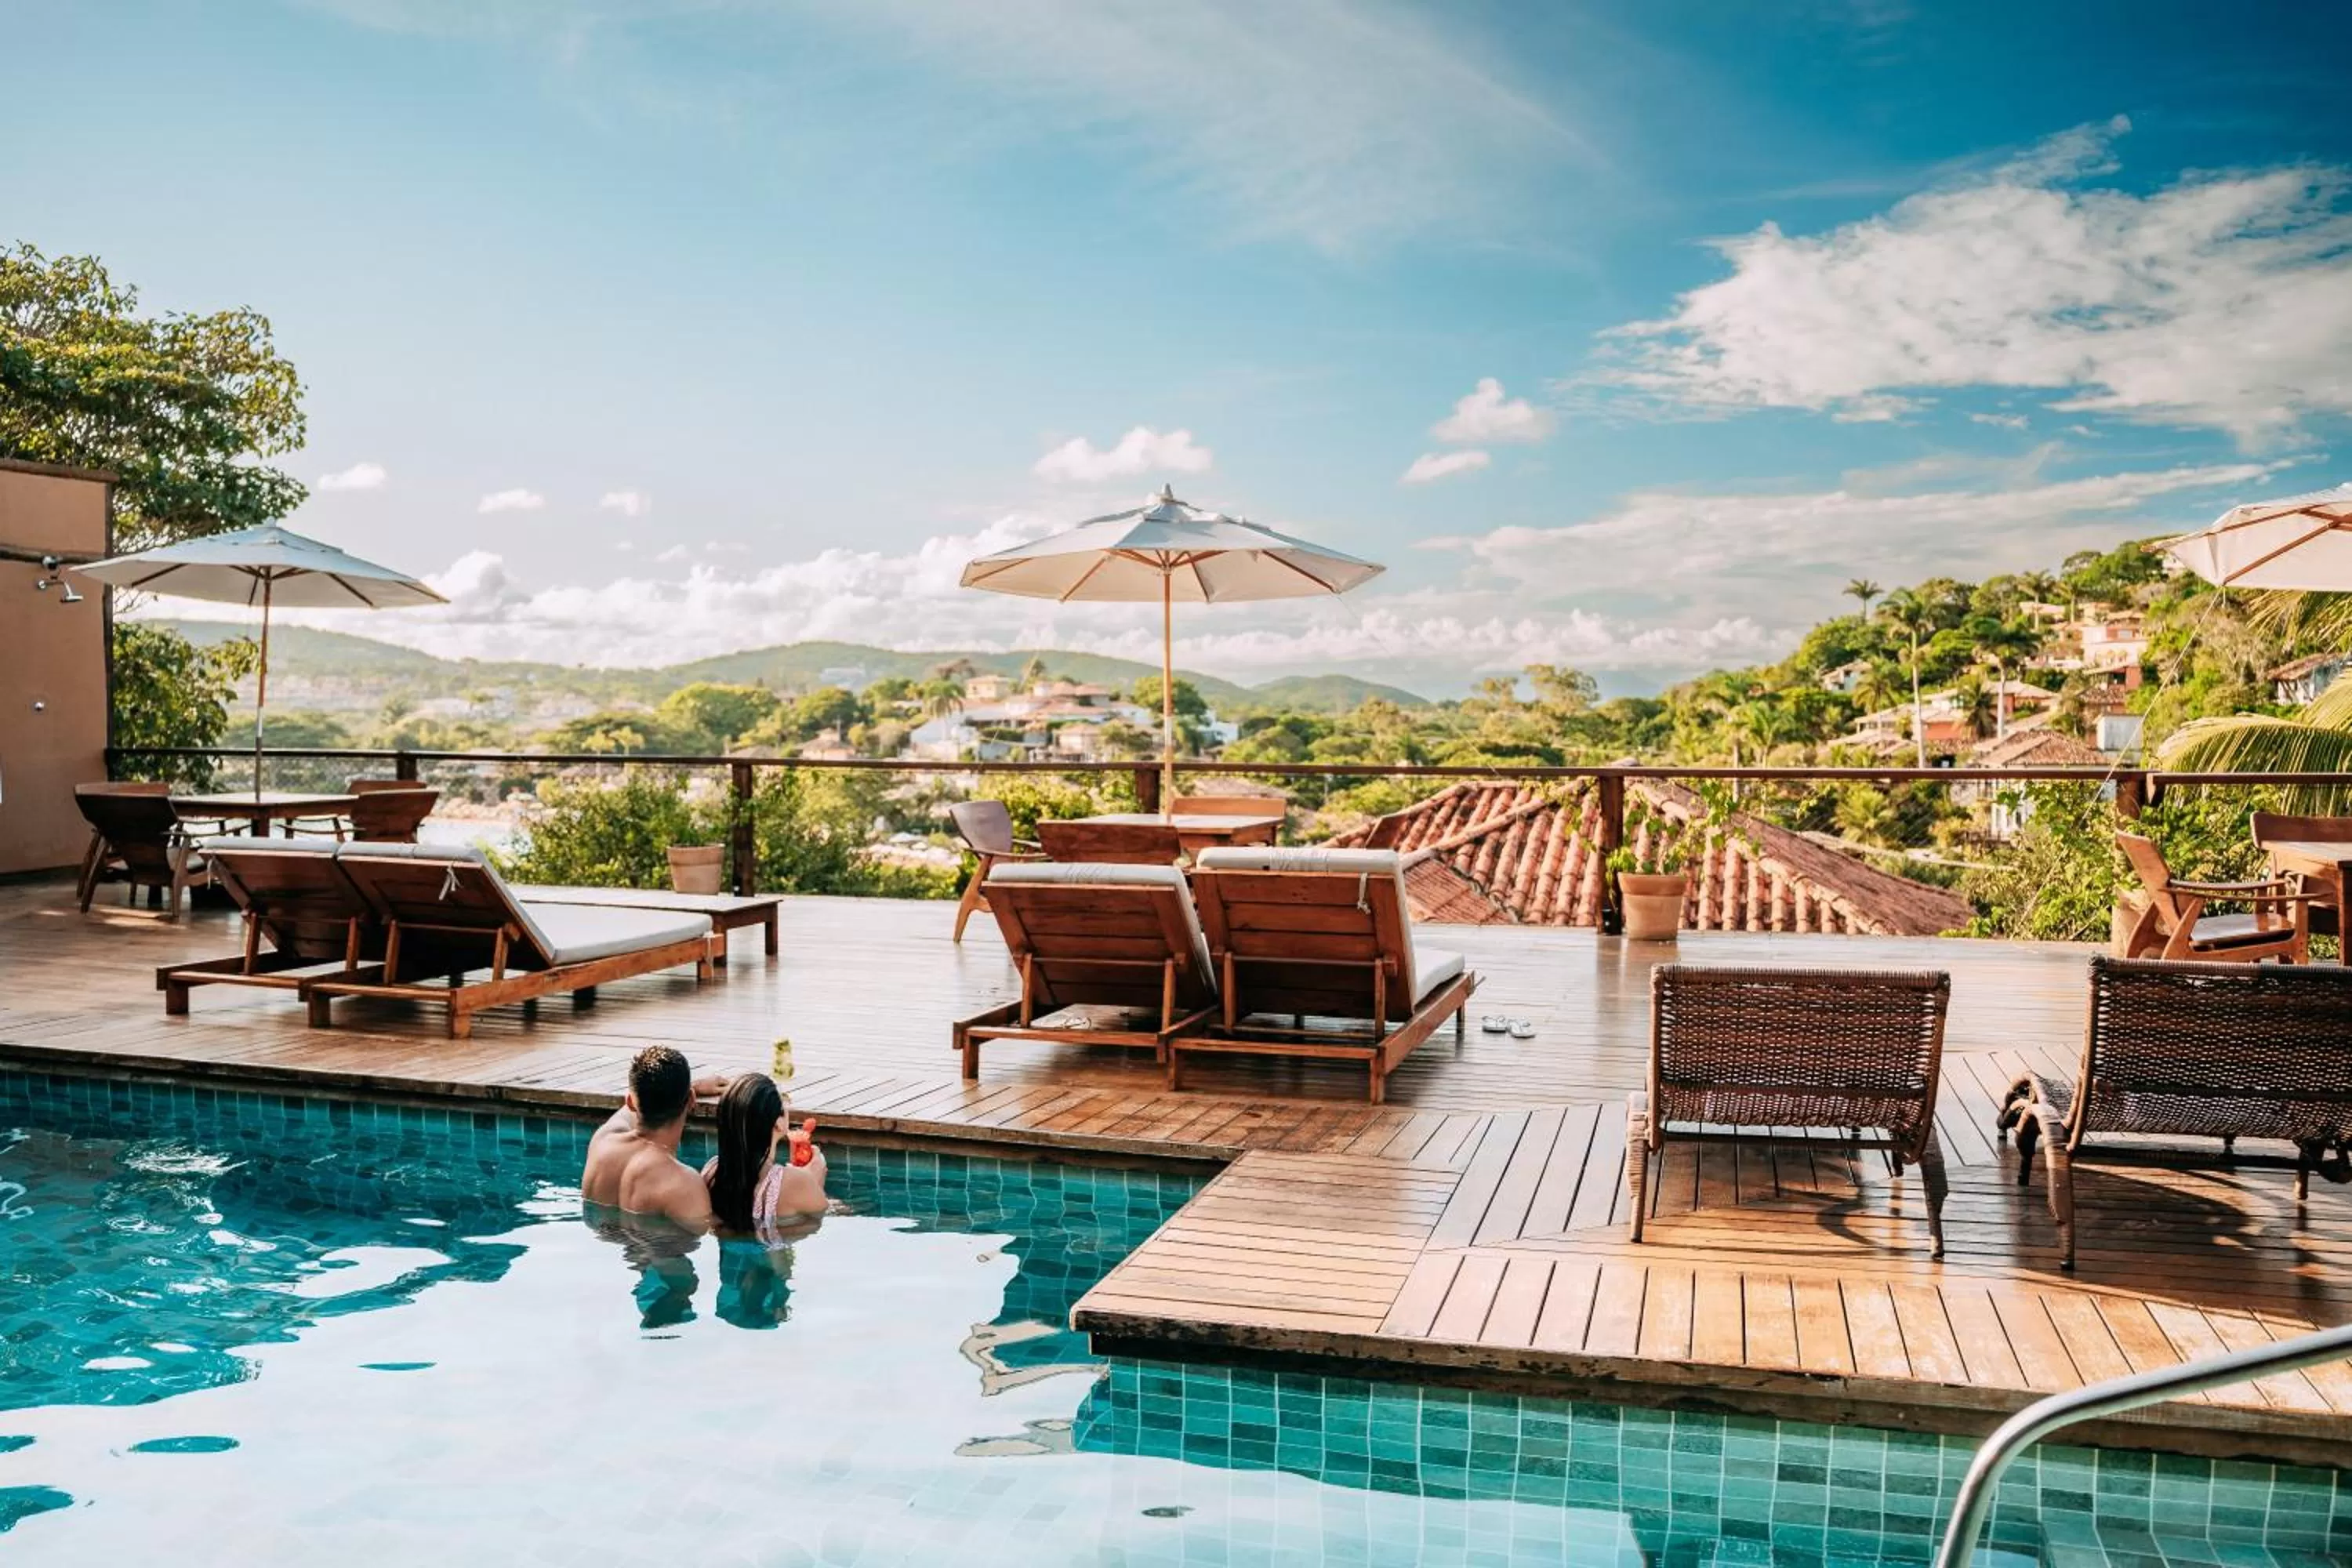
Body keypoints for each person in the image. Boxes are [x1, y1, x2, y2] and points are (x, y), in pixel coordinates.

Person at [581, 1045, 732, 1227]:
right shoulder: (683, 1183)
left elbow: (634, 1105)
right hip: (663, 1254)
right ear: (691, 1099)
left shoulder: (602, 1141)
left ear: (629, 1102)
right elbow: (726, 1237)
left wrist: (693, 1087)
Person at [702, 1073, 828, 1236]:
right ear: (778, 1124)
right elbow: (816, 1221)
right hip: (770, 1258)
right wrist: (816, 1183)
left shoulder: (710, 1173)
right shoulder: (796, 1182)